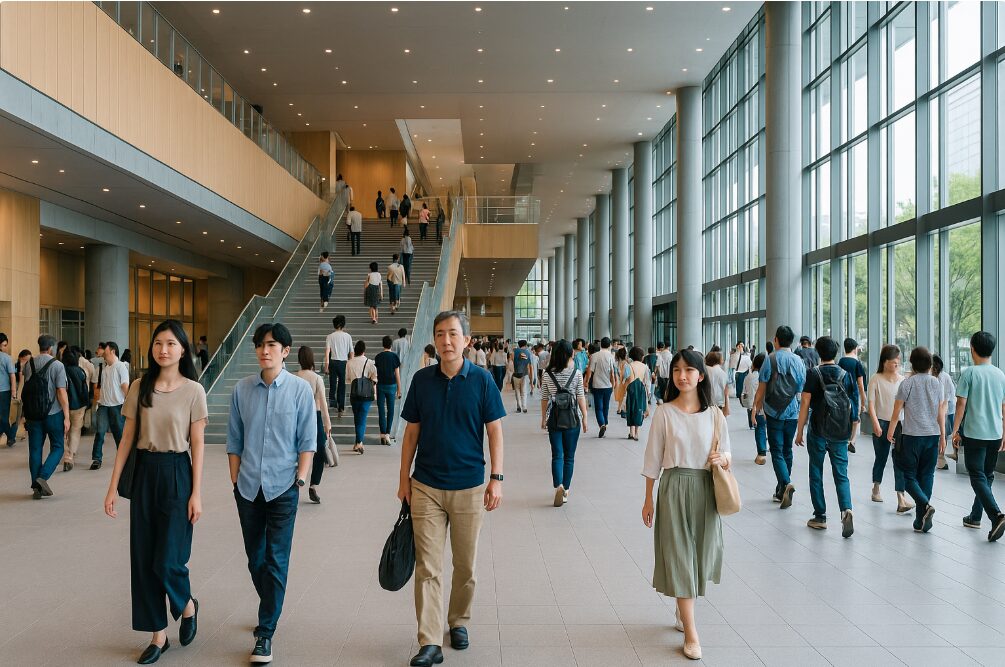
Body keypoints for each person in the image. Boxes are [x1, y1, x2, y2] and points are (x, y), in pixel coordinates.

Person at [397, 311, 505, 667]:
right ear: (434, 339)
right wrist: (403, 480)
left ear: (466, 340)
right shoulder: (422, 380)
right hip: (426, 484)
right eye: (440, 334)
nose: (446, 341)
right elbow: (411, 432)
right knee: (428, 567)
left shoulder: (482, 380)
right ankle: (429, 642)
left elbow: (494, 432)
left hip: (470, 486)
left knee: (465, 565)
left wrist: (497, 478)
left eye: (453, 334)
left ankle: (458, 620)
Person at [103, 319, 205, 665]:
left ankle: (187, 605)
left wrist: (197, 493)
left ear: (183, 349)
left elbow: (198, 444)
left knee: (168, 559)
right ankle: (158, 636)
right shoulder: (138, 387)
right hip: (145, 473)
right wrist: (112, 486)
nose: (164, 349)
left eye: (172, 344)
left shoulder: (194, 390)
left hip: (178, 473)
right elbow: (127, 439)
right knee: (144, 559)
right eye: (159, 343)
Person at [227, 322, 316, 664]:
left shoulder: (298, 390)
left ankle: (265, 633)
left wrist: (301, 480)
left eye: (272, 345)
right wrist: (235, 480)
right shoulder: (241, 390)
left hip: (283, 486)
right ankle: (271, 606)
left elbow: (308, 441)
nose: (265, 350)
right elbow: (234, 440)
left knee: (276, 559)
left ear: (285, 351)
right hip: (248, 487)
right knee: (255, 558)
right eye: (260, 344)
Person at [641, 349, 731, 662]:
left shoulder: (715, 414)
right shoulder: (664, 412)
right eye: (677, 370)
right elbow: (653, 459)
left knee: (700, 556)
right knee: (679, 555)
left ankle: (682, 610)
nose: (681, 375)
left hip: (705, 488)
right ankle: (692, 633)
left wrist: (723, 458)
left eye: (689, 370)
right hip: (673, 487)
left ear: (701, 375)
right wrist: (648, 498)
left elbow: (727, 453)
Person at [794, 336, 855, 537]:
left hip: (818, 431)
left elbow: (804, 403)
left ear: (818, 353)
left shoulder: (813, 373)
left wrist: (800, 430)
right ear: (835, 352)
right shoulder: (845, 374)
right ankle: (846, 509)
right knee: (841, 473)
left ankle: (820, 517)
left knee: (816, 472)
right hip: (839, 431)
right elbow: (852, 404)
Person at [886, 347, 948, 534]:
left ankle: (925, 505)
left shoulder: (907, 383)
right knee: (927, 475)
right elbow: (940, 413)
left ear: (912, 363)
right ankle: (920, 520)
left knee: (907, 476)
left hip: (912, 436)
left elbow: (897, 411)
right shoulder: (937, 383)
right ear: (930, 364)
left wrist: (890, 432)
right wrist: (943, 436)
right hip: (933, 435)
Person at [952, 331, 1005, 540]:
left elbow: (961, 404)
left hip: (974, 433)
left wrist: (955, 430)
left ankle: (996, 515)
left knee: (977, 475)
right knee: (987, 475)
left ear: (972, 349)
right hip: (994, 433)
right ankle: (975, 517)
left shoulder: (969, 373)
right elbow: (1003, 407)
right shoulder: (1000, 374)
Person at [753, 325, 806, 509]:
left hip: (773, 411)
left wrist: (756, 409)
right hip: (792, 411)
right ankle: (781, 488)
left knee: (776, 450)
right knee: (787, 450)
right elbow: (800, 388)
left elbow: (761, 388)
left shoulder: (770, 359)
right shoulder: (799, 361)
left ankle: (785, 482)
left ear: (776, 339)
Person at [540, 339, 588, 507]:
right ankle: (565, 490)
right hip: (572, 419)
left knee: (557, 455)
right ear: (569, 354)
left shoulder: (547, 374)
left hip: (554, 418)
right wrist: (585, 417)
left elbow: (545, 398)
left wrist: (543, 419)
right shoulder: (576, 373)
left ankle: (557, 486)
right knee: (569, 457)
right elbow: (581, 396)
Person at [22, 335, 69, 499]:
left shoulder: (28, 364)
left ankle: (36, 487)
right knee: (58, 447)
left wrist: (24, 414)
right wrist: (67, 416)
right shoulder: (57, 365)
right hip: (53, 414)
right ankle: (42, 477)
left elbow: (27, 390)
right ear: (51, 348)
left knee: (35, 450)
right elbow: (61, 392)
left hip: (33, 415)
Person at [865, 344, 910, 510]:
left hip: (899, 424)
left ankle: (901, 498)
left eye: (898, 360)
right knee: (881, 457)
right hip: (882, 422)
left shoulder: (903, 381)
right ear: (884, 362)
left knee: (899, 461)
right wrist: (875, 423)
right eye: (893, 360)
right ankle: (876, 488)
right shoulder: (876, 378)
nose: (896, 363)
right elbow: (870, 404)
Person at [293, 346, 331, 504]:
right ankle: (313, 485)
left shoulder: (293, 377)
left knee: (296, 450)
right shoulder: (316, 378)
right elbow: (323, 402)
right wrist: (327, 423)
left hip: (296, 417)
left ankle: (295, 479)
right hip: (314, 417)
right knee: (319, 451)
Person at [91, 341, 130, 471]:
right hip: (103, 405)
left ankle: (124, 459)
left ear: (113, 351)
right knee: (100, 432)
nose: (104, 356)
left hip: (117, 406)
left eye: (106, 353)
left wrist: (129, 403)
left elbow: (125, 386)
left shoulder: (120, 367)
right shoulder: (105, 367)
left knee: (119, 434)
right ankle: (97, 459)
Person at [347, 339, 378, 454]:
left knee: (357, 418)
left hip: (354, 394)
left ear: (355, 350)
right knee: (362, 419)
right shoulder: (370, 362)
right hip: (366, 395)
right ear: (364, 350)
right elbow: (374, 378)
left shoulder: (349, 362)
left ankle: (357, 442)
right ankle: (359, 442)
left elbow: (348, 379)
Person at [61, 347, 89, 471]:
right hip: (79, 406)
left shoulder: (61, 370)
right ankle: (70, 456)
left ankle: (67, 454)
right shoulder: (81, 371)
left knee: (63, 431)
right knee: (75, 431)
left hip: (64, 406)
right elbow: (85, 389)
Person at [838, 338, 867, 453]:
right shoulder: (856, 363)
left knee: (844, 415)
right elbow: (860, 384)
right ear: (855, 349)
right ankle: (852, 440)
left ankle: (844, 439)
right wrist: (863, 402)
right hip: (853, 393)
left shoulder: (841, 361)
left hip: (841, 392)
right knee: (855, 417)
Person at [584, 337, 617, 437]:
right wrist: (614, 382)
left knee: (598, 407)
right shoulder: (611, 356)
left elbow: (590, 371)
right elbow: (612, 372)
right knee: (606, 406)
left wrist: (586, 381)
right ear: (609, 345)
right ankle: (605, 424)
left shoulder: (594, 356)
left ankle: (602, 424)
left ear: (601, 345)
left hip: (597, 385)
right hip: (608, 385)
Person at [323, 316, 353, 419]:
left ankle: (333, 401)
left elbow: (327, 352)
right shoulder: (348, 336)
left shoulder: (330, 336)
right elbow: (351, 352)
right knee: (342, 385)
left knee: (333, 383)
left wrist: (326, 366)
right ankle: (341, 407)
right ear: (343, 324)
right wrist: (350, 364)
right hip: (343, 363)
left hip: (333, 362)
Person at [375, 336, 402, 446]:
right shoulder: (395, 357)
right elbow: (397, 374)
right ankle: (387, 434)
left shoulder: (378, 357)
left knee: (381, 410)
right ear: (391, 345)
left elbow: (375, 373)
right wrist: (399, 388)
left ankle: (382, 434)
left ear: (383, 345)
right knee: (390, 410)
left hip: (380, 385)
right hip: (391, 386)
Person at [742, 353, 768, 464]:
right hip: (769, 407)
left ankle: (761, 453)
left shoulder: (749, 377)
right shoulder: (769, 376)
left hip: (756, 407)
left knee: (760, 428)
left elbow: (745, 392)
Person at [932, 354, 955, 470]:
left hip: (946, 409)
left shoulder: (941, 377)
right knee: (942, 433)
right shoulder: (941, 376)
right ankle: (940, 458)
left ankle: (940, 458)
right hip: (945, 408)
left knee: (942, 433)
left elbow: (943, 399)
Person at [624, 347, 652, 441]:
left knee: (630, 409)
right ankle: (636, 433)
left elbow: (625, 379)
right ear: (642, 357)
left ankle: (631, 432)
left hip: (631, 390)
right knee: (639, 410)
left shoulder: (628, 366)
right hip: (641, 390)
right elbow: (647, 382)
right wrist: (648, 394)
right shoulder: (645, 367)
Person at [0, 333, 17, 446]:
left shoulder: (6, 357)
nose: (6, 348)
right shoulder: (7, 358)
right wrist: (14, 391)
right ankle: (11, 435)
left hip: (4, 391)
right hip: (4, 391)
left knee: (3, 417)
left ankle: (10, 436)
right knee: (4, 417)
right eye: (4, 345)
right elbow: (12, 375)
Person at [704, 350, 730, 416]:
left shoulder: (704, 371)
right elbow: (726, 392)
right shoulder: (723, 374)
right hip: (718, 405)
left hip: (704, 404)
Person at [511, 340, 533, 413]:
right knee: (524, 391)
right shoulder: (528, 353)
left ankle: (519, 407)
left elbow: (512, 360)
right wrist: (531, 379)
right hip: (524, 374)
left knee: (517, 391)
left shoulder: (514, 351)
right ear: (525, 345)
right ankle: (524, 407)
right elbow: (529, 366)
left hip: (516, 374)